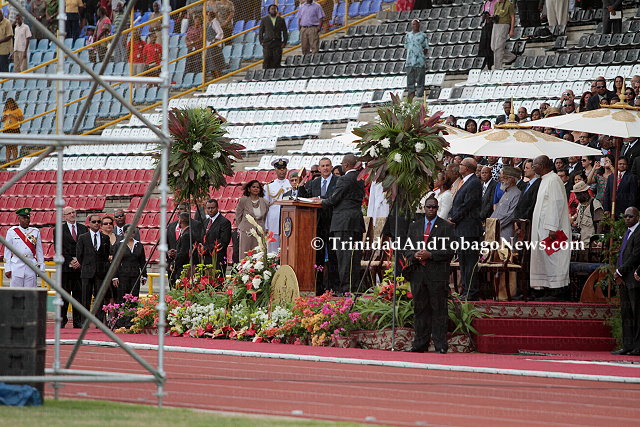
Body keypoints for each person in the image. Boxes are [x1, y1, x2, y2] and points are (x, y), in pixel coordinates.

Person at [403, 197, 455, 353]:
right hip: (418, 274)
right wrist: (414, 255)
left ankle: (440, 345)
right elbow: (406, 249)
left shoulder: (446, 227)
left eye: (434, 207)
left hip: (437, 274)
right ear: (424, 207)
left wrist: (430, 255)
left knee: (439, 310)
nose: (431, 209)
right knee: (420, 310)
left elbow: (450, 251)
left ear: (437, 208)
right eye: (428, 206)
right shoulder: (415, 226)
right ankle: (420, 344)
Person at [321, 154, 365, 295]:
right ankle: (354, 286)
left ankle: (346, 289)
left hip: (343, 223)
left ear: (345, 165)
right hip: (356, 222)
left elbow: (334, 200)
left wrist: (320, 201)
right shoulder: (360, 179)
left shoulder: (344, 179)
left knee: (344, 257)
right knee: (354, 256)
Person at [529, 155, 571, 301]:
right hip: (543, 229)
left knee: (554, 259)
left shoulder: (553, 180)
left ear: (542, 165)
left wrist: (553, 228)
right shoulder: (545, 180)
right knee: (545, 260)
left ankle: (557, 291)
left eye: (534, 165)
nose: (533, 168)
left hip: (552, 230)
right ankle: (545, 289)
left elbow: (556, 203)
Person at [448, 158, 483, 300]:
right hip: (461, 228)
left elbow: (468, 204)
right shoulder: (464, 182)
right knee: (463, 261)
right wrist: (451, 216)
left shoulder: (474, 182)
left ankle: (471, 291)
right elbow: (457, 203)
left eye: (461, 164)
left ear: (467, 168)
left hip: (469, 228)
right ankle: (465, 289)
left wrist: (453, 218)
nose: (459, 166)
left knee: (469, 262)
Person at [307, 157, 339, 293]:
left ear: (331, 167)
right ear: (319, 169)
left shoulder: (338, 181)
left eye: (327, 165)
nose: (325, 168)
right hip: (317, 224)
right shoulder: (313, 183)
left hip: (333, 223)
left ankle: (334, 287)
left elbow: (335, 199)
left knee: (333, 256)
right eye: (323, 166)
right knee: (317, 256)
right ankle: (318, 288)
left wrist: (320, 199)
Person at [613, 207, 640, 355]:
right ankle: (628, 345)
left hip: (634, 278)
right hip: (623, 279)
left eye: (630, 216)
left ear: (637, 217)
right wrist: (618, 272)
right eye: (625, 216)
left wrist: (620, 271)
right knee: (626, 313)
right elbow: (622, 254)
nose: (627, 219)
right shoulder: (627, 232)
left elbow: (636, 256)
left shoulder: (639, 232)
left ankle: (638, 346)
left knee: (637, 313)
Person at [76, 214, 111, 321]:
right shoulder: (83, 237)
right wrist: (86, 266)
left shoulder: (105, 238)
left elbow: (106, 255)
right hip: (87, 272)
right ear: (89, 223)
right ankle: (84, 320)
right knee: (85, 297)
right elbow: (79, 255)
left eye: (98, 222)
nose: (96, 224)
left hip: (100, 272)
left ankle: (99, 320)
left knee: (100, 297)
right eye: (94, 222)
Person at [58, 206, 88, 328]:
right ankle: (62, 319)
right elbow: (59, 247)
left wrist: (79, 261)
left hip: (80, 268)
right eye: (69, 213)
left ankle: (78, 321)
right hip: (66, 268)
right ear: (64, 216)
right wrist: (70, 260)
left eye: (73, 212)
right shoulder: (59, 229)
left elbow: (86, 247)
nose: (72, 214)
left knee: (79, 295)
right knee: (64, 295)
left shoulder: (83, 228)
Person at [4, 207, 44, 288]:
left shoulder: (35, 232)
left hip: (31, 265)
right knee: (16, 293)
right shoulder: (12, 231)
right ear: (19, 218)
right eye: (24, 218)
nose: (26, 220)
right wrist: (7, 268)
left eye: (28, 218)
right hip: (16, 266)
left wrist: (41, 266)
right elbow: (7, 251)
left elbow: (39, 250)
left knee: (31, 292)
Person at [112, 225, 147, 303]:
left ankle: (133, 311)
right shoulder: (118, 245)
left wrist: (144, 275)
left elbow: (142, 262)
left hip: (135, 275)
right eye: (128, 232)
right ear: (124, 233)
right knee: (122, 298)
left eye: (132, 232)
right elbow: (115, 262)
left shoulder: (139, 245)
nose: (130, 234)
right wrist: (114, 277)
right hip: (122, 276)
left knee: (134, 297)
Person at [235, 180, 269, 257]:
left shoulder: (264, 202)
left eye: (258, 187)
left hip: (260, 232)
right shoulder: (243, 200)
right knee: (245, 254)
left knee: (259, 254)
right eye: (253, 187)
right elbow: (238, 215)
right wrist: (241, 227)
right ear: (249, 189)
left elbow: (265, 217)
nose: (256, 189)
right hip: (246, 231)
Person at [264, 158, 291, 253]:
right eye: (279, 168)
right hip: (273, 219)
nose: (282, 170)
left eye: (283, 168)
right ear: (275, 170)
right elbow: (265, 206)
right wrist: (266, 225)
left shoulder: (291, 184)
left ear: (286, 169)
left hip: (289, 217)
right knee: (273, 249)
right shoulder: (269, 186)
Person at [490, 166, 521, 241]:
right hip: (495, 231)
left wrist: (495, 225)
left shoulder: (517, 194)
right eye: (500, 178)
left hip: (505, 234)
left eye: (503, 177)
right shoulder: (506, 192)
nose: (501, 180)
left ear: (511, 179)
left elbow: (511, 215)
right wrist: (490, 224)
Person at [169, 212, 201, 285]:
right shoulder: (191, 232)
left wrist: (174, 264)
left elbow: (183, 253)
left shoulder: (186, 235)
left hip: (184, 267)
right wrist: (177, 251)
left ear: (180, 221)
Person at [202, 198, 232, 276]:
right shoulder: (205, 222)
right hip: (206, 259)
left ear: (217, 208)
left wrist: (206, 249)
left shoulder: (225, 222)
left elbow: (224, 241)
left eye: (212, 208)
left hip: (218, 259)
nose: (210, 210)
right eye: (208, 208)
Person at [404, 19, 429, 98]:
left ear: (419, 25)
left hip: (419, 61)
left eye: (416, 24)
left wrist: (420, 55)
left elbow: (426, 48)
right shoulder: (408, 35)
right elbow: (406, 46)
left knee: (420, 80)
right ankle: (411, 95)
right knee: (410, 80)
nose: (414, 26)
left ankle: (419, 95)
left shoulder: (423, 36)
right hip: (409, 61)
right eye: (413, 24)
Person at [259, 4, 288, 69]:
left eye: (275, 9)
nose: (273, 10)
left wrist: (284, 42)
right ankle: (265, 73)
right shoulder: (264, 19)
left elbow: (285, 31)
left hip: (277, 43)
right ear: (269, 10)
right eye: (272, 9)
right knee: (267, 60)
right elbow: (261, 31)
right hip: (267, 43)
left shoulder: (281, 19)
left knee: (277, 60)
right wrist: (261, 41)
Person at [490, 0, 515, 70]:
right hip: (495, 25)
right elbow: (494, 14)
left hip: (504, 25)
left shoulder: (509, 4)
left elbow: (512, 17)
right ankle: (511, 57)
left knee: (498, 46)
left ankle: (498, 67)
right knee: (493, 46)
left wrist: (511, 30)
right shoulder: (496, 4)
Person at [2, 98, 23, 163]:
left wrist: (14, 116)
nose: (10, 105)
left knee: (14, 146)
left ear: (14, 104)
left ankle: (14, 161)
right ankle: (7, 162)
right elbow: (2, 120)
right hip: (7, 129)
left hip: (15, 129)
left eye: (11, 104)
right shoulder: (6, 110)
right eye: (8, 104)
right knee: (8, 147)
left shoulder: (18, 110)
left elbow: (21, 119)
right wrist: (4, 117)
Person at [205, 10, 225, 79]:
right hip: (209, 46)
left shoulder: (215, 22)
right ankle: (215, 78)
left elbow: (220, 32)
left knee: (214, 65)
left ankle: (218, 77)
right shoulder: (209, 24)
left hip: (214, 46)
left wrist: (214, 40)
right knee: (211, 65)